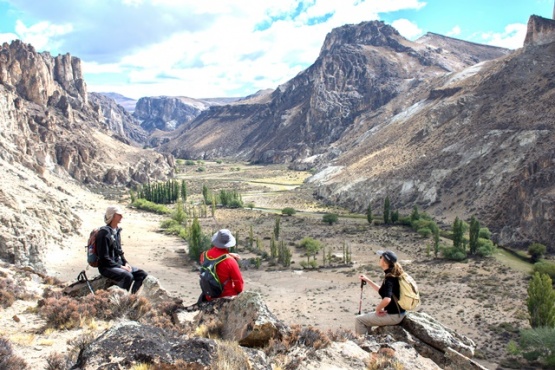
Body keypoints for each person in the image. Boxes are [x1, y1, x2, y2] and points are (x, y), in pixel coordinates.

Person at [96, 205, 148, 294]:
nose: (121, 216)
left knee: (142, 274)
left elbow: (119, 251)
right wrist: (121, 267)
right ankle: (120, 299)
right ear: (112, 216)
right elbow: (104, 258)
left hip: (117, 264)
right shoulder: (103, 233)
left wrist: (126, 263)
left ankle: (132, 297)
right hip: (106, 267)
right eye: (119, 214)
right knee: (127, 276)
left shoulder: (116, 231)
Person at [355, 250, 406, 335]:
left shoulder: (389, 278)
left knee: (359, 320)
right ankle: (369, 339)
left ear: (385, 262)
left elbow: (387, 299)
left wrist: (378, 309)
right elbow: (383, 291)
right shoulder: (393, 274)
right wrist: (368, 280)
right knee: (366, 318)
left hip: (393, 316)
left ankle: (362, 344)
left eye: (381, 257)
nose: (379, 259)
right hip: (399, 313)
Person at [199, 229, 244, 302]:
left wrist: (228, 255)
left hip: (209, 295)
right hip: (226, 297)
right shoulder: (230, 261)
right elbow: (239, 282)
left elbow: (214, 260)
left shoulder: (204, 255)